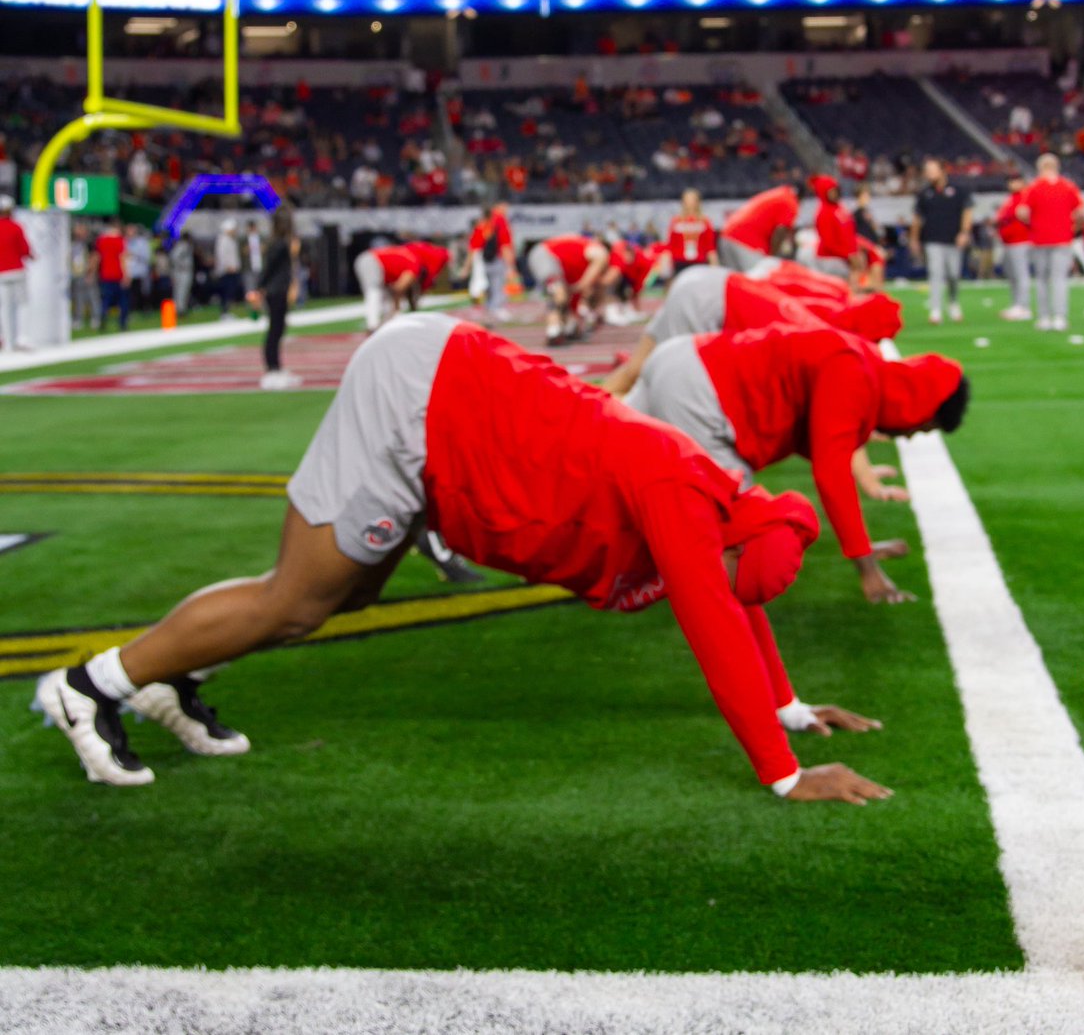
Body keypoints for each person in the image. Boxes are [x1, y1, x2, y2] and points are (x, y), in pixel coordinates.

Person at [37, 312, 888, 805]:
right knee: (296, 600)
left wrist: (787, 704)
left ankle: (170, 673)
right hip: (422, 400)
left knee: (343, 596)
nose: (719, 582)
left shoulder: (727, 502)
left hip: (454, 402)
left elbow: (736, 601)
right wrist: (785, 775)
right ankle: (92, 685)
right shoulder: (682, 490)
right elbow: (712, 616)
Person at [624, 321, 969, 604]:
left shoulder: (861, 362)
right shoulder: (855, 374)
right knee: (738, 539)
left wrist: (863, 546)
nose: (910, 436)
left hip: (682, 359)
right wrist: (867, 569)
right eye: (923, 428)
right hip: (700, 394)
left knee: (616, 471)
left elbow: (824, 446)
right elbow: (831, 474)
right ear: (918, 406)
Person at [602, 266, 901, 398]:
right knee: (654, 391)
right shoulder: (824, 336)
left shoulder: (825, 310)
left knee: (637, 371)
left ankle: (586, 405)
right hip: (707, 302)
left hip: (708, 285)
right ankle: (591, 420)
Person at [1018, 153, 1083, 332]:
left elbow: (1022, 212)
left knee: (1042, 280)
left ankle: (1044, 317)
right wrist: (1071, 226)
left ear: (1040, 168)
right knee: (1059, 279)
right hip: (1063, 239)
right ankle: (1060, 317)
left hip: (1039, 239)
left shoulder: (1034, 187)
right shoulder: (1068, 186)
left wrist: (1032, 223)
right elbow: (1080, 211)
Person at [911, 158, 973, 325]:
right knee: (935, 272)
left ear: (942, 170)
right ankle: (935, 309)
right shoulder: (924, 194)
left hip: (953, 239)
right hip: (932, 239)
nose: (929, 173)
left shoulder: (958, 190)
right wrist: (914, 239)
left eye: (932, 169)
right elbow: (917, 218)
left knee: (953, 274)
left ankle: (953, 302)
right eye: (927, 170)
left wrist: (964, 232)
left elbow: (967, 212)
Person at [525, 233, 611, 345]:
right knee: (558, 292)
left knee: (563, 296)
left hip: (552, 259)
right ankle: (553, 331)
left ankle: (568, 328)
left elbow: (576, 295)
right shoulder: (601, 253)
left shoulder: (578, 266)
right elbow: (585, 283)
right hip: (546, 254)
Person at [251, 207, 300, 391]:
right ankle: (272, 368)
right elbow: (269, 269)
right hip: (276, 290)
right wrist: (258, 289)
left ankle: (276, 366)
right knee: (275, 328)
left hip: (280, 289)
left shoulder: (281, 243)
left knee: (279, 328)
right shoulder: (279, 244)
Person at [353, 240, 451, 333]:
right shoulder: (414, 265)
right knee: (374, 291)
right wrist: (399, 308)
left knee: (384, 297)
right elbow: (398, 289)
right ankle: (372, 326)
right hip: (371, 260)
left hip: (372, 261)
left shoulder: (411, 258)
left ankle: (383, 325)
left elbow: (401, 289)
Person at [718, 184, 801, 271]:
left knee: (734, 277)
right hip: (747, 241)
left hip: (726, 235)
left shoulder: (779, 193)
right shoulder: (790, 201)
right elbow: (780, 231)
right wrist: (772, 256)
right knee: (759, 276)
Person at [463, 203, 517, 323]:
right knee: (497, 285)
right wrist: (510, 266)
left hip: (483, 262)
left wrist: (466, 268)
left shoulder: (480, 227)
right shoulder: (499, 224)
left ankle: (489, 308)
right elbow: (505, 246)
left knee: (487, 287)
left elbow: (473, 249)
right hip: (496, 260)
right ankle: (496, 309)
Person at [994, 175, 1032, 322]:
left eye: (1015, 181)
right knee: (1013, 275)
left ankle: (1024, 307)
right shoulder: (1012, 198)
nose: (1012, 184)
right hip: (1009, 241)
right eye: (1010, 182)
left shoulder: (1025, 197)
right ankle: (1017, 304)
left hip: (1020, 240)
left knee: (1021, 275)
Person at [0, 194, 33, 352]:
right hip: (16, 270)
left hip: (1, 273)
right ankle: (22, 338)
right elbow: (25, 249)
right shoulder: (16, 226)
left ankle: (6, 341)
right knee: (22, 305)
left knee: (4, 307)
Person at [666, 188, 718, 279]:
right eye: (687, 199)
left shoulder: (705, 222)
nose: (690, 202)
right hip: (680, 262)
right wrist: (667, 268)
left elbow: (710, 247)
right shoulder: (676, 221)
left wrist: (714, 267)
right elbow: (670, 246)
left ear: (697, 202)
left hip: (699, 263)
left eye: (692, 199)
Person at [95, 219, 130, 333]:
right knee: (122, 300)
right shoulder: (120, 241)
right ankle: (122, 323)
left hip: (105, 274)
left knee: (106, 300)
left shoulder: (101, 240)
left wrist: (95, 272)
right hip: (118, 274)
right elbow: (122, 258)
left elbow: (97, 257)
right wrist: (126, 275)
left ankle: (102, 319)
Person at [69, 221, 100, 333]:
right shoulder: (73, 242)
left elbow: (95, 257)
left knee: (92, 297)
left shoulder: (89, 242)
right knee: (78, 298)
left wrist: (91, 272)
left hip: (87, 272)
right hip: (76, 273)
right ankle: (78, 319)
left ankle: (95, 318)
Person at [214, 219, 242, 321]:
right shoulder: (223, 240)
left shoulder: (231, 240)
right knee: (226, 292)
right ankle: (224, 313)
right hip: (226, 272)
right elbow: (222, 256)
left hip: (232, 270)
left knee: (230, 292)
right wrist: (228, 267)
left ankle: (227, 312)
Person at [125, 224, 152, 314]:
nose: (129, 233)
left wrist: (134, 254)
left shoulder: (142, 242)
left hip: (141, 271)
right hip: (130, 272)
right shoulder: (125, 242)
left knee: (143, 291)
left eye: (131, 231)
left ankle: (145, 309)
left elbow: (147, 257)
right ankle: (133, 309)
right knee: (131, 293)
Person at [169, 231, 194, 317]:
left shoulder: (184, 246)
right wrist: (181, 265)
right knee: (181, 291)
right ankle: (180, 310)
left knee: (182, 291)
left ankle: (181, 309)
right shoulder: (182, 246)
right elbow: (174, 258)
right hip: (182, 272)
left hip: (183, 271)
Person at [244, 219, 264, 296]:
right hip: (249, 267)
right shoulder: (244, 239)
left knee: (260, 287)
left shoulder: (261, 238)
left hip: (260, 266)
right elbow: (242, 251)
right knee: (250, 288)